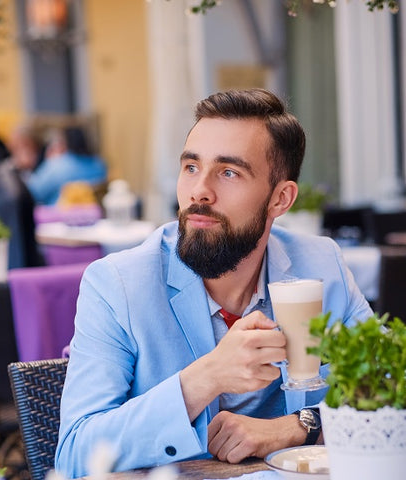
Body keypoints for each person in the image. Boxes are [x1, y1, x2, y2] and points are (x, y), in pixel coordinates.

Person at [55, 89, 372, 478]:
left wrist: (299, 425)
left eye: (228, 172)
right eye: (191, 167)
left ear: (280, 199)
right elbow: (74, 455)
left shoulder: (321, 265)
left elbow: (389, 384)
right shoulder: (117, 285)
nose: (198, 191)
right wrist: (205, 378)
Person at [26, 126, 107, 205]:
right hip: (93, 213)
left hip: (58, 215)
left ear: (64, 143)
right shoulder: (99, 164)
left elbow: (32, 193)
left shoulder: (56, 165)